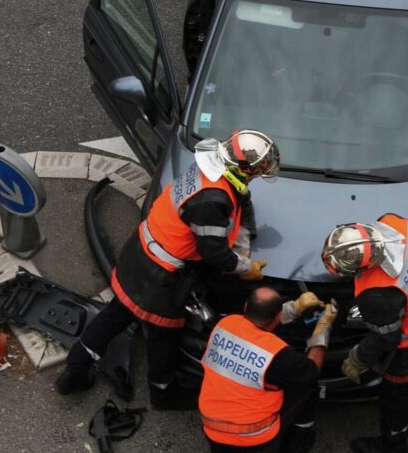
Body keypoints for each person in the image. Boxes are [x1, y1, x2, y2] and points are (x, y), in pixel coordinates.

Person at [55, 130, 278, 409]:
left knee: (114, 314)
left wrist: (244, 239)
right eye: (256, 172)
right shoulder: (213, 200)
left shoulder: (210, 167)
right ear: (244, 169)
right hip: (161, 278)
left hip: (141, 254)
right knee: (162, 340)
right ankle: (163, 394)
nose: (256, 177)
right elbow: (215, 253)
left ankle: (74, 371)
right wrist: (246, 266)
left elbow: (242, 200)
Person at [195, 287, 337, 453]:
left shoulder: (225, 324)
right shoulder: (279, 355)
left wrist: (293, 309)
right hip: (255, 433)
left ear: (246, 305)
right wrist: (322, 330)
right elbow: (309, 372)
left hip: (213, 425)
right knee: (306, 389)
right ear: (275, 317)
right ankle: (293, 450)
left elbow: (259, 324)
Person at [321, 214, 408, 453]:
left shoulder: (379, 294)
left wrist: (357, 359)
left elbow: (385, 339)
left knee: (396, 397)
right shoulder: (397, 224)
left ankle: (393, 446)